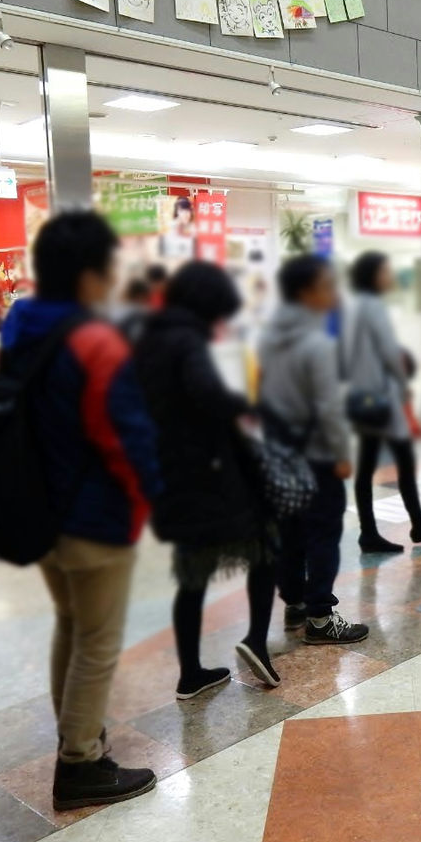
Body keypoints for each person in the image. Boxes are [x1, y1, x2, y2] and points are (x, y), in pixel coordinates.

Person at [0, 211, 162, 811]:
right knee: (97, 640)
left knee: (71, 624)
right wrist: (152, 496)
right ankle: (80, 765)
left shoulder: (20, 325)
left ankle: (79, 736)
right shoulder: (96, 340)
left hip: (36, 505)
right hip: (94, 516)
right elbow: (123, 437)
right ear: (90, 274)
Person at [134, 262, 280, 698]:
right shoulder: (187, 339)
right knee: (265, 544)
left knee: (192, 572)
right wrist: (243, 405)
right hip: (209, 471)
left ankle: (190, 673)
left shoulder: (151, 337)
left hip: (170, 471)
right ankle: (256, 641)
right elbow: (207, 393)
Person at [259, 255, 369, 645]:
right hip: (317, 454)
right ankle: (321, 616)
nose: (334, 293)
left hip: (280, 450)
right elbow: (327, 407)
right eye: (326, 285)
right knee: (323, 531)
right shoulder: (318, 344)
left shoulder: (269, 338)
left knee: (290, 528)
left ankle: (295, 601)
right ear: (306, 292)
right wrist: (341, 453)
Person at [345, 251, 421, 553]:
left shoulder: (352, 306)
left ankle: (369, 532)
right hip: (384, 398)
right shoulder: (374, 306)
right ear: (373, 275)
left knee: (367, 465)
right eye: (385, 270)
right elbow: (390, 353)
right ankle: (418, 524)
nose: (389, 275)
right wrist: (404, 387)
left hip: (362, 396)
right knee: (404, 458)